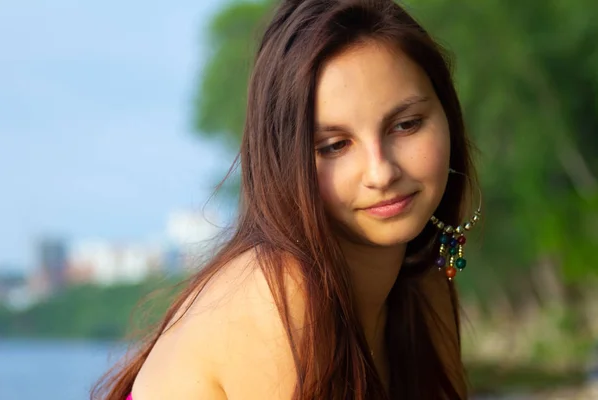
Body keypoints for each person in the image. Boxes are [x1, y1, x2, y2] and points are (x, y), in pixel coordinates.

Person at [93, 0, 480, 398]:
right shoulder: (277, 298)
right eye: (334, 146)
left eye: (406, 125)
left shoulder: (421, 283)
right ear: (283, 159)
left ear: (447, 114)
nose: (381, 172)